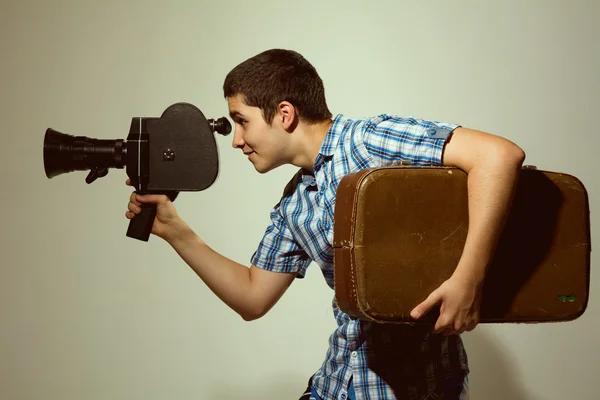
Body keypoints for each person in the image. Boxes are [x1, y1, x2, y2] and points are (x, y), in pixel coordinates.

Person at [125, 49, 526, 399]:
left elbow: (498, 156)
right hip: (337, 386)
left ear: (284, 114)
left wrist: (467, 281)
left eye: (242, 121)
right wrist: (175, 230)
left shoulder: (369, 140)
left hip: (420, 388)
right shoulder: (295, 203)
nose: (236, 141)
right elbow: (252, 297)